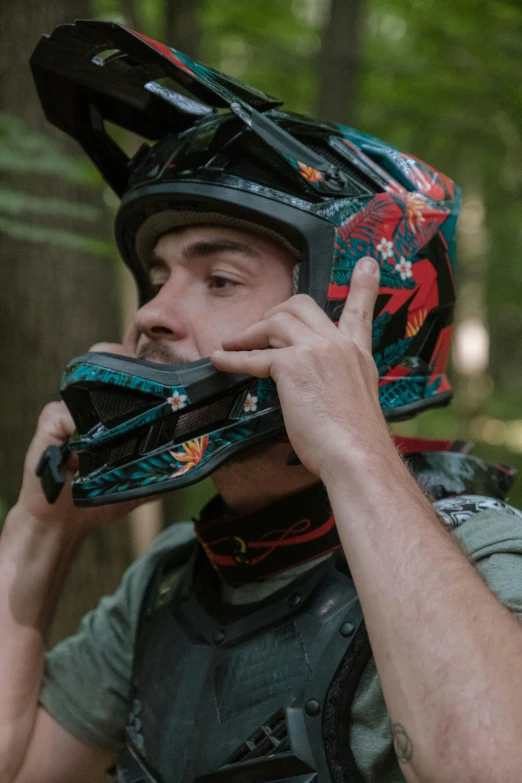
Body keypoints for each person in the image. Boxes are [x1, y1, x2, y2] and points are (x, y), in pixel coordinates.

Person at [2, 19, 522, 783]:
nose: (151, 314)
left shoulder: (481, 550)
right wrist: (39, 529)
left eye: (218, 280)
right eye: (156, 278)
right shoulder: (175, 577)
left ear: (353, 322)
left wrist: (352, 450)